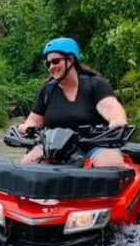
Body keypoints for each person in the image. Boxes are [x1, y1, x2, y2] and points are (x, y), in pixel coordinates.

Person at [18, 37, 127, 167]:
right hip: (54, 146)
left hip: (95, 144)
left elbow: (110, 107)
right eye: (48, 64)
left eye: (55, 61)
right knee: (26, 164)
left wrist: (117, 120)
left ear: (70, 60)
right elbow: (35, 120)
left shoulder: (96, 85)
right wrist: (26, 126)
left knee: (110, 164)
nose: (51, 67)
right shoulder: (46, 90)